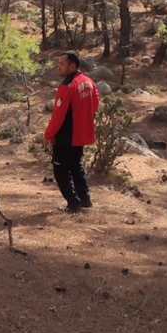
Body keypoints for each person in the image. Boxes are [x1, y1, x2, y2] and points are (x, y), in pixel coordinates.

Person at [43, 50, 100, 212]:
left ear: (72, 66)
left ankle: (74, 204)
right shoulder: (89, 82)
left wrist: (48, 135)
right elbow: (95, 104)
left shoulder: (67, 86)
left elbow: (58, 116)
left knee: (61, 171)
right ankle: (84, 199)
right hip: (81, 135)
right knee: (76, 166)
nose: (58, 67)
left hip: (66, 136)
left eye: (61, 64)